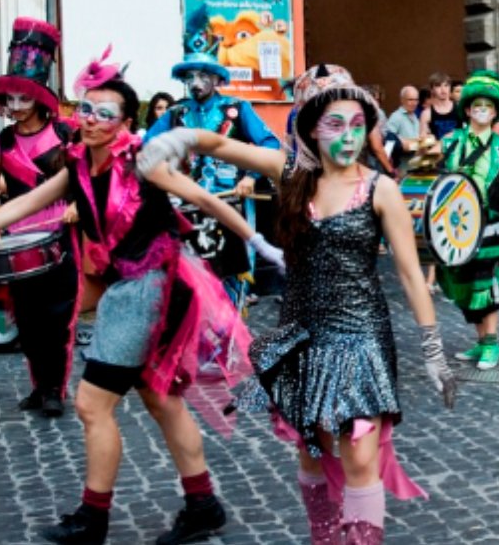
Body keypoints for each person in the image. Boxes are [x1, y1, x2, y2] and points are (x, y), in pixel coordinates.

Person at [0, 52, 271, 545]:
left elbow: (203, 198)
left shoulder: (142, 162)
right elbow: (30, 200)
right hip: (128, 290)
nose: (90, 120)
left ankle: (94, 519)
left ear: (126, 123)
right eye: (86, 110)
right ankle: (203, 504)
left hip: (150, 291)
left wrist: (259, 243)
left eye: (104, 113)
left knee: (91, 404)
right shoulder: (77, 163)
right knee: (161, 400)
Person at [139, 64, 457, 545]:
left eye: (357, 125)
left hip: (361, 335)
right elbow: (222, 145)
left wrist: (433, 349)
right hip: (303, 333)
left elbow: (411, 274)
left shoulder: (380, 188)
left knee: (359, 454)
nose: (348, 138)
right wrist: (177, 139)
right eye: (335, 125)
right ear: (311, 127)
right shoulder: (293, 173)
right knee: (312, 449)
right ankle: (324, 537)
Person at [0, 18, 79, 419]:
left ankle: (55, 388)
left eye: (23, 99)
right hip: (19, 241)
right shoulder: (1, 141)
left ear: (39, 98)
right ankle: (39, 387)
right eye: (10, 100)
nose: (15, 107)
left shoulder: (65, 134)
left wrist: (76, 204)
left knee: (58, 319)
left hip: (59, 236)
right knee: (28, 319)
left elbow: (87, 178)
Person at [145, 53, 282, 304]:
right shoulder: (176, 113)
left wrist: (251, 176)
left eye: (202, 76)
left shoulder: (237, 109)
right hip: (187, 203)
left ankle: (232, 336)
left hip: (231, 202)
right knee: (191, 276)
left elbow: (270, 144)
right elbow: (146, 146)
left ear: (217, 79)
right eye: (190, 77)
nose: (195, 82)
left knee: (232, 269)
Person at [426, 70, 499, 370]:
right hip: (457, 225)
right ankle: (481, 342)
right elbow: (424, 167)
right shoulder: (451, 141)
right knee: (464, 284)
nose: (483, 111)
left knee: (486, 284)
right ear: (467, 110)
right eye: (477, 106)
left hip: (491, 222)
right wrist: (419, 150)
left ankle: (492, 345)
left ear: (495, 112)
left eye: (489, 107)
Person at [384, 85, 422, 173]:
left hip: (414, 166)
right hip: (401, 168)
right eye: (410, 100)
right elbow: (388, 142)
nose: (414, 103)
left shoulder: (415, 116)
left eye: (416, 100)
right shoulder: (396, 117)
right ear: (402, 100)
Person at [418, 72, 458, 144]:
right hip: (437, 152)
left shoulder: (459, 109)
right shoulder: (426, 114)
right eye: (438, 86)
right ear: (432, 89)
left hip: (458, 152)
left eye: (446, 85)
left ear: (450, 87)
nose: (443, 90)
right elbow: (423, 142)